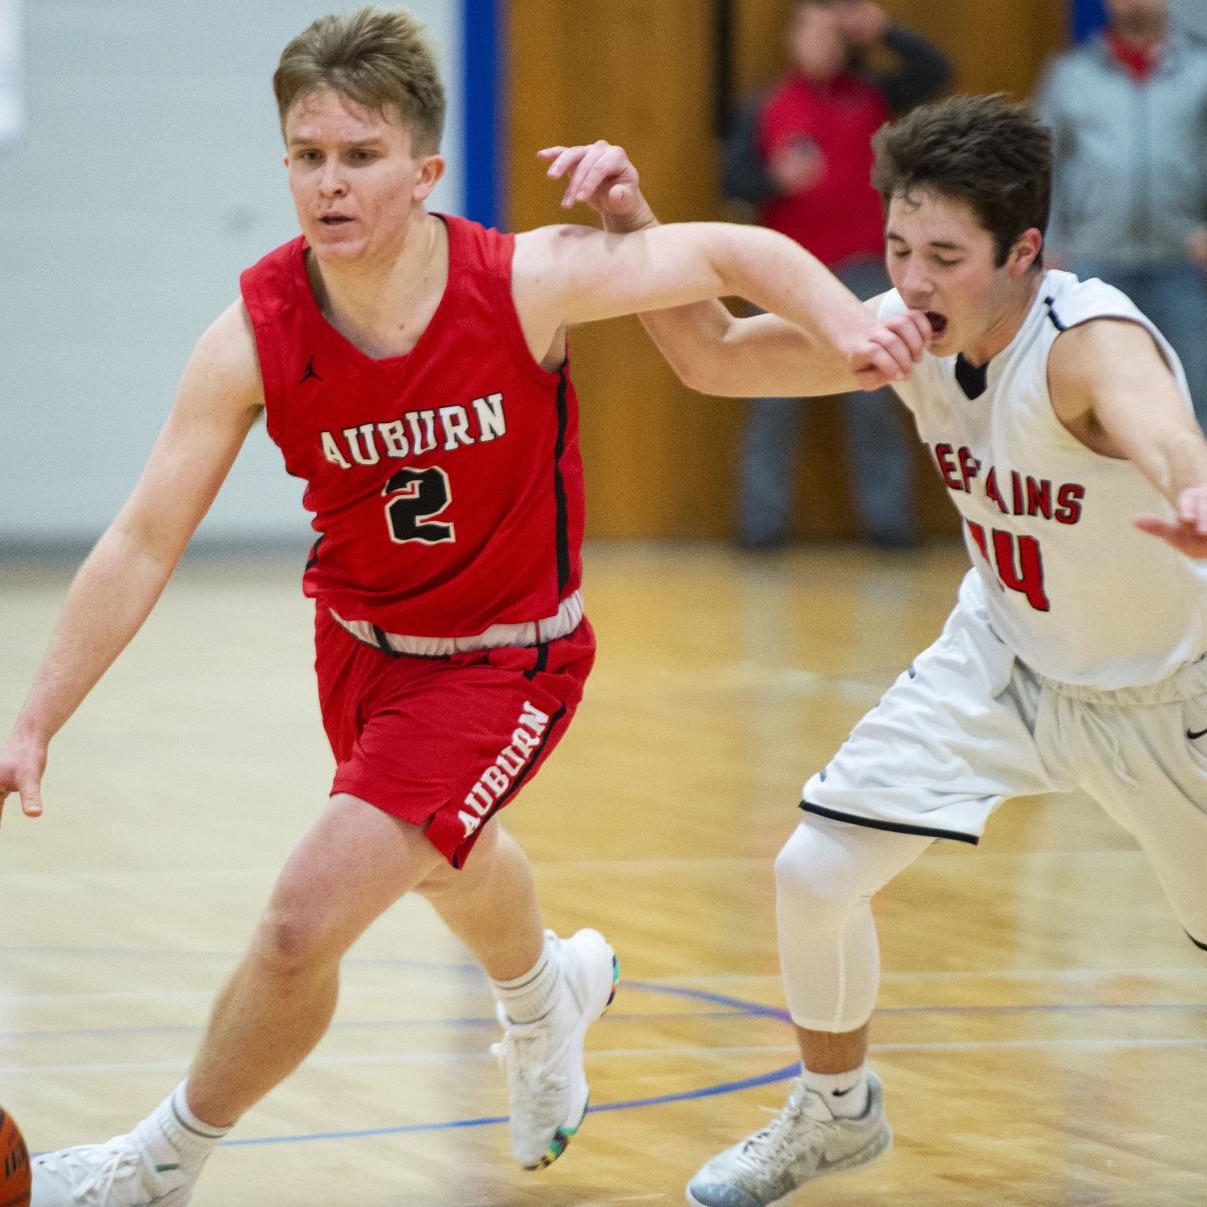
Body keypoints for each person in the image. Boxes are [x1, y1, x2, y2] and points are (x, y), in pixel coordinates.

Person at [0, 8, 930, 1206]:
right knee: (445, 861)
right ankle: (549, 996)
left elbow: (728, 258)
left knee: (301, 922)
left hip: (508, 662)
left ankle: (157, 1164)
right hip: (360, 649)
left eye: (360, 156)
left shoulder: (523, 279)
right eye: (307, 156)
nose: (329, 185)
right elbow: (137, 540)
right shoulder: (252, 335)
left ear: (425, 169)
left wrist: (853, 324)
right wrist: (35, 715)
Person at [546, 91, 1207, 1205]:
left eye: (946, 256)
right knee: (813, 872)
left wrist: (1191, 489)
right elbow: (709, 357)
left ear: (1023, 252)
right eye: (899, 246)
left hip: (1162, 695)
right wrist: (630, 220)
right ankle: (834, 1113)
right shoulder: (902, 336)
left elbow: (1163, 424)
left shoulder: (1084, 344)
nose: (911, 279)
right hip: (1005, 657)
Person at [723, 0, 951, 550]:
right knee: (772, 396)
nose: (823, 45)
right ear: (793, 39)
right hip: (787, 273)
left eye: (833, 35)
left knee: (873, 398)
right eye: (813, 33)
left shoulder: (875, 94)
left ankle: (888, 526)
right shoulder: (767, 105)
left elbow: (935, 73)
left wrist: (882, 30)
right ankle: (760, 528)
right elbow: (734, 179)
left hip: (865, 271)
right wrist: (774, 179)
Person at [1036, 0, 1207, 430]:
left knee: (1195, 396)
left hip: (1185, 267)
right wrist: (1051, 243)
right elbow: (1045, 164)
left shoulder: (1201, 69)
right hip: (1094, 266)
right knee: (1100, 402)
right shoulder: (1069, 74)